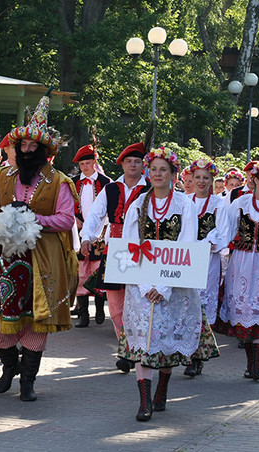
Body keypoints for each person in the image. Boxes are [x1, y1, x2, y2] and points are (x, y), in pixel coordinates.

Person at [0, 95, 79, 402]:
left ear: (45, 151)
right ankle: (8, 367)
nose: (28, 150)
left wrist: (35, 219)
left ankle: (28, 381)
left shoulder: (59, 181)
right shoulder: (3, 176)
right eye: (24, 146)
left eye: (34, 147)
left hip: (42, 258)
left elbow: (66, 219)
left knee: (36, 319)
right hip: (3, 258)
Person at [118, 147, 219, 422]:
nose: (157, 174)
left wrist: (163, 286)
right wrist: (143, 284)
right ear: (147, 173)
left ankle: (162, 389)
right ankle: (144, 401)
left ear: (173, 173)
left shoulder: (184, 204)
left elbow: (186, 244)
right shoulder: (138, 205)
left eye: (163, 169)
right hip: (141, 283)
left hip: (174, 283)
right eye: (153, 169)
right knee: (143, 340)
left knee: (166, 339)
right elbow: (130, 247)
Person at [80, 142, 150, 372]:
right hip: (116, 251)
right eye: (129, 161)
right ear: (121, 164)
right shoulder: (111, 188)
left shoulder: (151, 188)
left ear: (143, 165)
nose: (133, 165)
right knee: (116, 306)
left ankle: (139, 349)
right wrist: (86, 237)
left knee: (140, 303)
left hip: (143, 251)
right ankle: (126, 348)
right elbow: (94, 215)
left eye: (137, 161)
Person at [215, 160, 259, 380]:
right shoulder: (241, 202)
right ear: (255, 180)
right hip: (242, 263)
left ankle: (256, 366)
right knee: (243, 310)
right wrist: (215, 247)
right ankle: (249, 363)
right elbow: (227, 230)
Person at [183, 159, 226, 377]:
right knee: (186, 304)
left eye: (205, 178)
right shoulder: (184, 200)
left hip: (208, 262)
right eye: (197, 177)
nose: (201, 181)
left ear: (212, 180)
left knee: (202, 307)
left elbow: (223, 234)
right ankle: (188, 353)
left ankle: (198, 356)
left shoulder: (219, 204)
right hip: (187, 260)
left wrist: (205, 244)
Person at [71, 144, 112, 328]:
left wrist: (103, 230)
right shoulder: (73, 182)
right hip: (79, 233)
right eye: (82, 164)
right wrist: (74, 219)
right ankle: (83, 313)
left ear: (94, 162)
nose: (85, 167)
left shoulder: (106, 182)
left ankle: (99, 308)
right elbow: (65, 205)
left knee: (97, 270)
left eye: (88, 163)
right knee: (81, 272)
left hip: (101, 233)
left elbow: (112, 209)